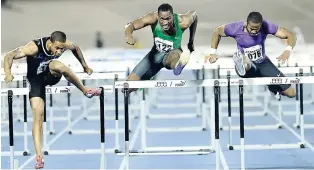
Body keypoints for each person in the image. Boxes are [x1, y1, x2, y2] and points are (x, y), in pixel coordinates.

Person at [3, 31, 101, 169]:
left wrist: (85, 66)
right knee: (38, 116)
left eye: (62, 49)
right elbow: (9, 56)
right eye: (57, 48)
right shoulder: (33, 48)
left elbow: (76, 48)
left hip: (51, 75)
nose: (59, 51)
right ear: (50, 42)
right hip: (35, 80)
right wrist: (8, 73)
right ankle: (38, 157)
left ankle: (84, 89)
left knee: (58, 64)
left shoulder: (62, 45)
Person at [205, 11, 297, 99]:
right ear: (246, 24)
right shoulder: (236, 28)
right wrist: (213, 52)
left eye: (257, 29)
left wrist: (287, 50)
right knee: (246, 62)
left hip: (263, 63)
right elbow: (217, 31)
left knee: (291, 93)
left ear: (261, 25)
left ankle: (274, 88)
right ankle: (241, 63)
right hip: (247, 67)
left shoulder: (266, 26)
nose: (254, 31)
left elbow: (290, 34)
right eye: (251, 28)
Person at [123, 3, 198, 92]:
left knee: (175, 55)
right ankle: (140, 85)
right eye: (162, 19)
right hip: (154, 55)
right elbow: (130, 25)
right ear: (158, 17)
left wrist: (191, 41)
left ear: (173, 16)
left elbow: (194, 15)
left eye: (168, 19)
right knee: (128, 86)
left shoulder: (183, 21)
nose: (165, 23)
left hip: (172, 54)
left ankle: (178, 65)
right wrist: (128, 36)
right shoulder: (152, 18)